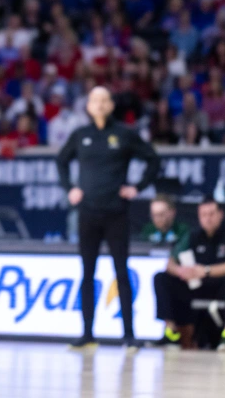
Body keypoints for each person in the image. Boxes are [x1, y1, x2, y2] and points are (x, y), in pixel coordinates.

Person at [56, 86, 160, 350]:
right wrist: (70, 188)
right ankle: (88, 334)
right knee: (87, 273)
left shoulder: (124, 135)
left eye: (104, 100)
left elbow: (153, 159)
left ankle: (129, 335)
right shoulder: (81, 135)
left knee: (121, 273)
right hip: (88, 212)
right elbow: (61, 161)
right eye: (95, 100)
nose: (100, 104)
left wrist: (137, 187)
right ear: (88, 106)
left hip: (116, 212)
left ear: (112, 105)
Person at [152, 197, 225, 351]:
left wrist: (206, 270)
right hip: (196, 286)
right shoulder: (193, 235)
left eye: (211, 214)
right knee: (161, 278)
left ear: (220, 214)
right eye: (203, 215)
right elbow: (170, 263)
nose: (207, 219)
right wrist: (180, 271)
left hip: (220, 286)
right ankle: (171, 333)